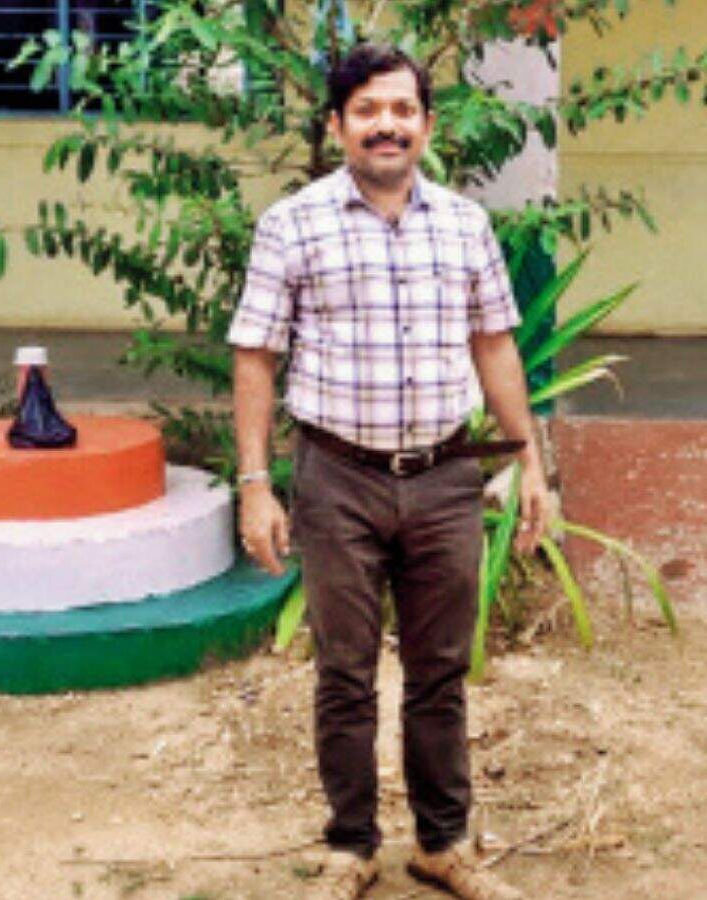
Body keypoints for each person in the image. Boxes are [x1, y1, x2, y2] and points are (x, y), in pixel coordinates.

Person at [228, 43, 550, 900]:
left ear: (427, 126)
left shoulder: (465, 225)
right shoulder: (293, 224)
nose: (387, 126)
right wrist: (255, 485)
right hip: (339, 479)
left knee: (440, 671)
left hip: (444, 479)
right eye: (368, 110)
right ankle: (351, 846)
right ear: (338, 125)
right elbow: (255, 355)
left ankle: (442, 845)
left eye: (403, 110)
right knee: (345, 672)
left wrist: (530, 462)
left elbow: (494, 345)